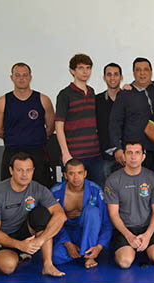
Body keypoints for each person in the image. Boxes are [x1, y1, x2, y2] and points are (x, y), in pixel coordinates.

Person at [0, 152, 67, 276]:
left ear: (33, 171)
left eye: (28, 170)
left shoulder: (39, 189)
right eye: (20, 170)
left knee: (42, 214)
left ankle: (48, 265)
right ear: (11, 171)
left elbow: (60, 215)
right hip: (3, 236)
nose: (24, 174)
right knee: (8, 266)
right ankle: (20, 255)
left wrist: (40, 240)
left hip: (26, 232)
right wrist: (19, 245)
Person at [0, 62, 54, 188]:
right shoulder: (2, 101)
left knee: (41, 189)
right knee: (9, 190)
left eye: (25, 75)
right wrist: (16, 138)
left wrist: (34, 138)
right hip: (12, 152)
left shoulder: (43, 100)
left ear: (30, 77)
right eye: (18, 75)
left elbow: (50, 127)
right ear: (12, 78)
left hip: (37, 152)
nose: (21, 78)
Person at [105, 141, 154, 268]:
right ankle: (130, 248)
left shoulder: (152, 178)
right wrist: (129, 236)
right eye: (129, 153)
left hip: (147, 227)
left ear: (143, 157)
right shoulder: (113, 180)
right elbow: (113, 213)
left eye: (137, 153)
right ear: (124, 156)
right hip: (125, 228)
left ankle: (145, 247)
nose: (133, 157)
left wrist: (148, 235)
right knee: (124, 262)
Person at [109, 57, 154, 176]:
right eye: (138, 70)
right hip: (134, 153)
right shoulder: (125, 94)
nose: (142, 73)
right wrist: (117, 149)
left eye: (146, 70)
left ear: (151, 72)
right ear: (133, 73)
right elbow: (115, 123)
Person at [50, 159, 112, 268]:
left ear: (85, 174)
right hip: (66, 233)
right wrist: (67, 243)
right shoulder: (55, 192)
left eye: (79, 173)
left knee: (92, 211)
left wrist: (99, 246)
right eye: (71, 173)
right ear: (65, 175)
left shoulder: (96, 191)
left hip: (87, 232)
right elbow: (52, 222)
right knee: (55, 257)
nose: (76, 177)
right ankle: (81, 249)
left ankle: (89, 255)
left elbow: (107, 222)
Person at [55, 54, 103, 186]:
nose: (85, 71)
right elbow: (58, 126)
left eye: (88, 68)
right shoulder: (65, 94)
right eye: (81, 68)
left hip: (94, 154)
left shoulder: (92, 92)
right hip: (74, 155)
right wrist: (65, 154)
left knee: (97, 191)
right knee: (73, 193)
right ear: (72, 71)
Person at [96, 63, 123, 182]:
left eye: (116, 74)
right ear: (104, 77)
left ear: (121, 77)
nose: (112, 78)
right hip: (104, 156)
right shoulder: (96, 100)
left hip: (126, 156)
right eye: (109, 74)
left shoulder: (129, 98)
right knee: (106, 193)